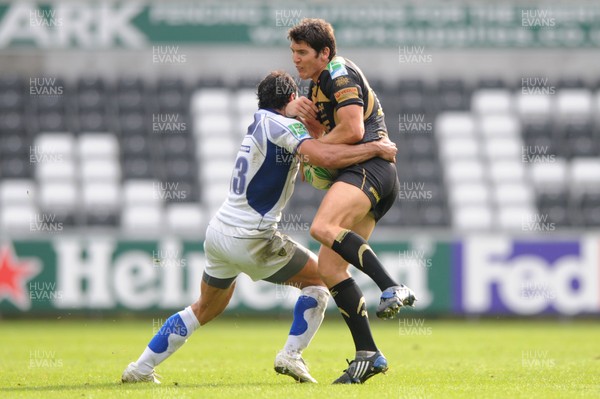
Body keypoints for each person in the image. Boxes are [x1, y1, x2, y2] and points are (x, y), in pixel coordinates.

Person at [121, 70, 398, 385]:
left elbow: (310, 163)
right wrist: (375, 149)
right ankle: (291, 355)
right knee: (322, 277)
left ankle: (139, 368)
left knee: (202, 309)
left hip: (219, 233)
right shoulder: (284, 125)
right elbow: (323, 156)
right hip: (253, 237)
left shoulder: (260, 121)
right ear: (293, 99)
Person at [286, 18, 417, 384]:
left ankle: (393, 285)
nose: (295, 59)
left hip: (370, 169)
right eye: (293, 52)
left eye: (302, 52)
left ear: (324, 52)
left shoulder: (338, 72)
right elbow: (334, 133)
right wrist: (314, 132)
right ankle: (369, 354)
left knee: (321, 228)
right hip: (373, 175)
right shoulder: (316, 87)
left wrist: (312, 149)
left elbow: (354, 130)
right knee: (329, 269)